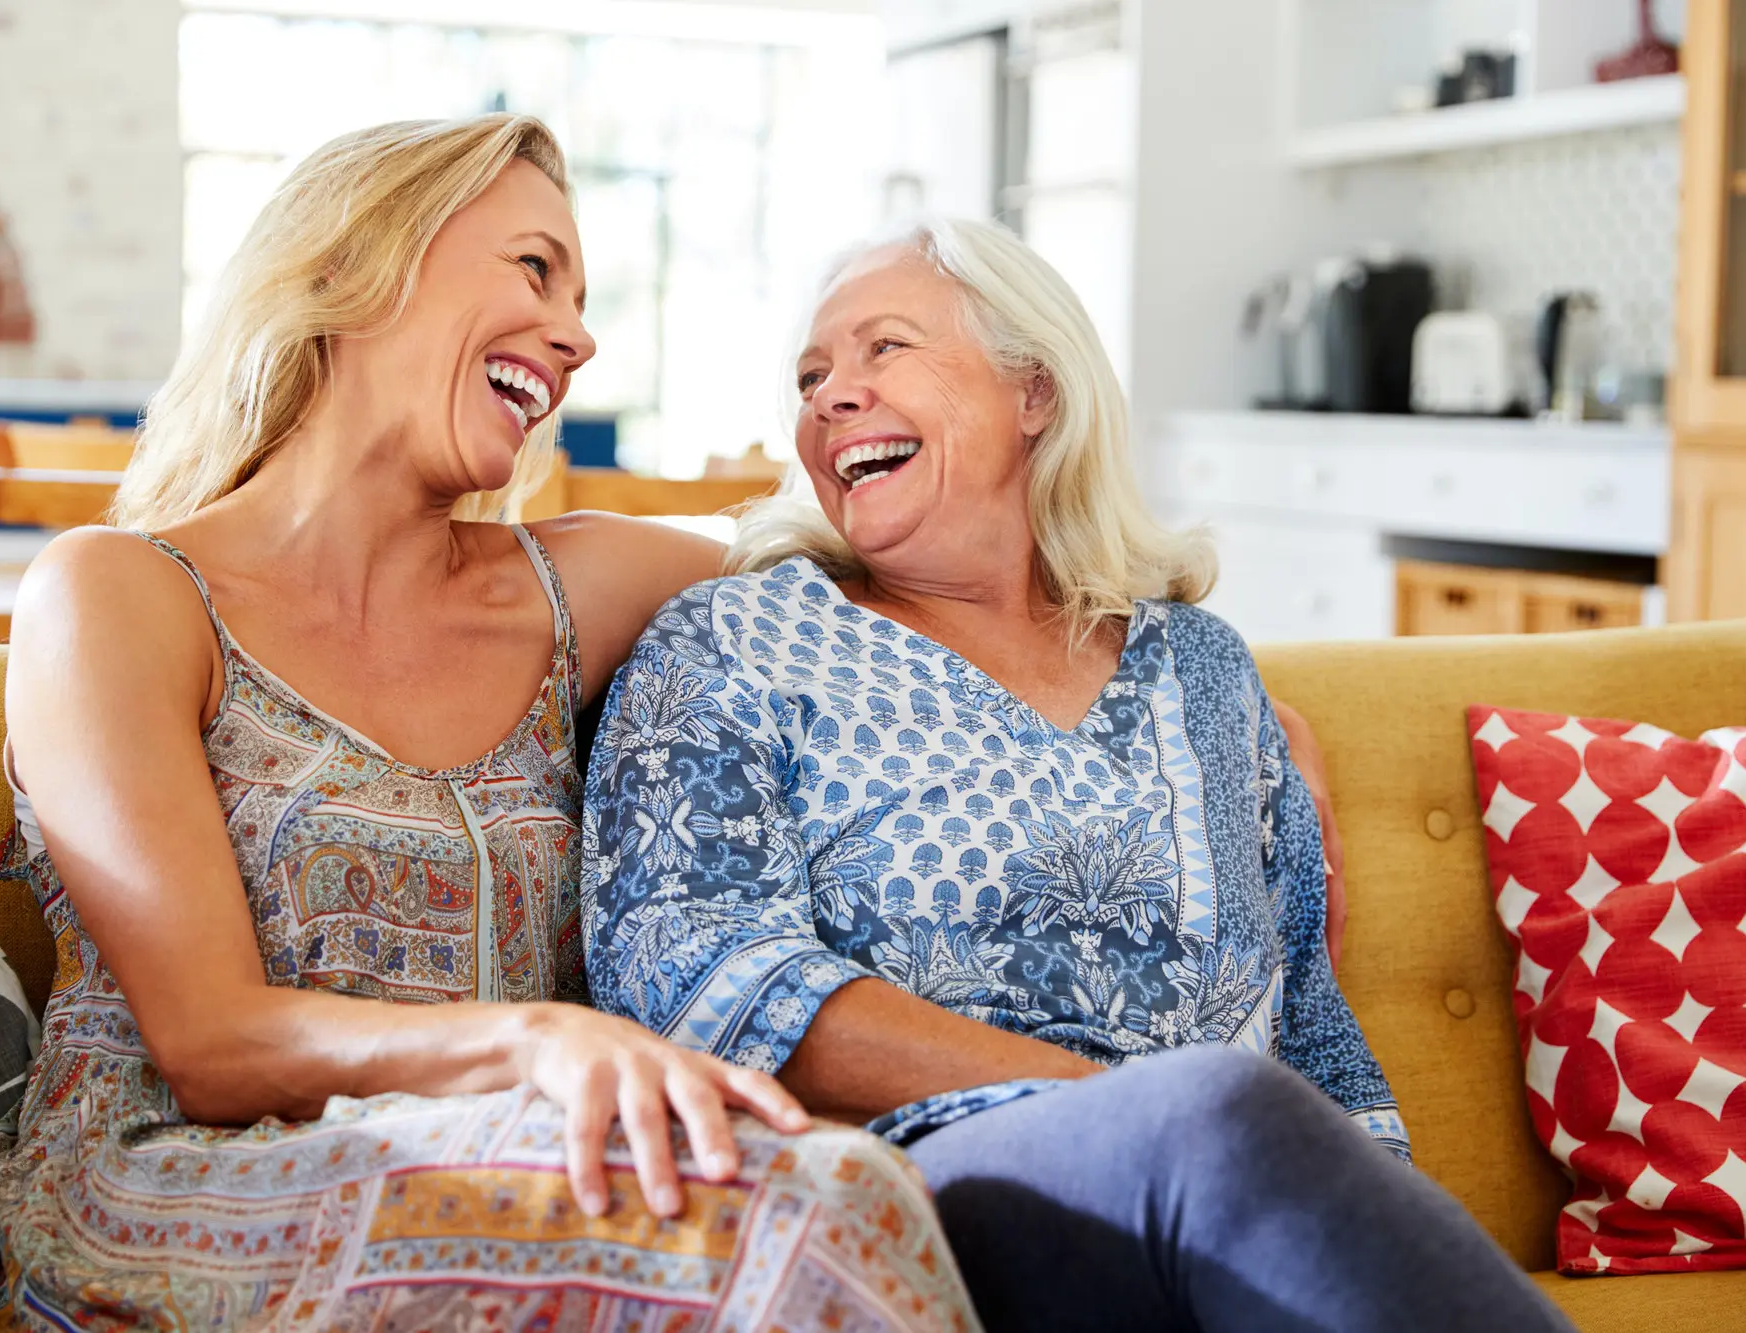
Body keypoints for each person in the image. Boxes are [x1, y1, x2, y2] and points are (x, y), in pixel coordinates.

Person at [0, 114, 978, 1332]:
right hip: (170, 1195)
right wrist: (539, 1043)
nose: (578, 333)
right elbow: (212, 1041)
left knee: (839, 1186)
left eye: (581, 293)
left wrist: (1218, 693)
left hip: (506, 1167)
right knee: (822, 1208)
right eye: (532, 268)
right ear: (356, 264)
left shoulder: (575, 592)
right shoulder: (118, 594)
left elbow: (902, 580)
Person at [581, 218, 1576, 1331]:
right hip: (917, 1187)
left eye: (882, 349)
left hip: (1217, 1180)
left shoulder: (1198, 665)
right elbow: (691, 971)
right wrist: (1121, 1105)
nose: (829, 395)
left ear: (1034, 395)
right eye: (811, 374)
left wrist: (1378, 1211)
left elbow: (1305, 1015)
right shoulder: (732, 640)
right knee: (1220, 1111)